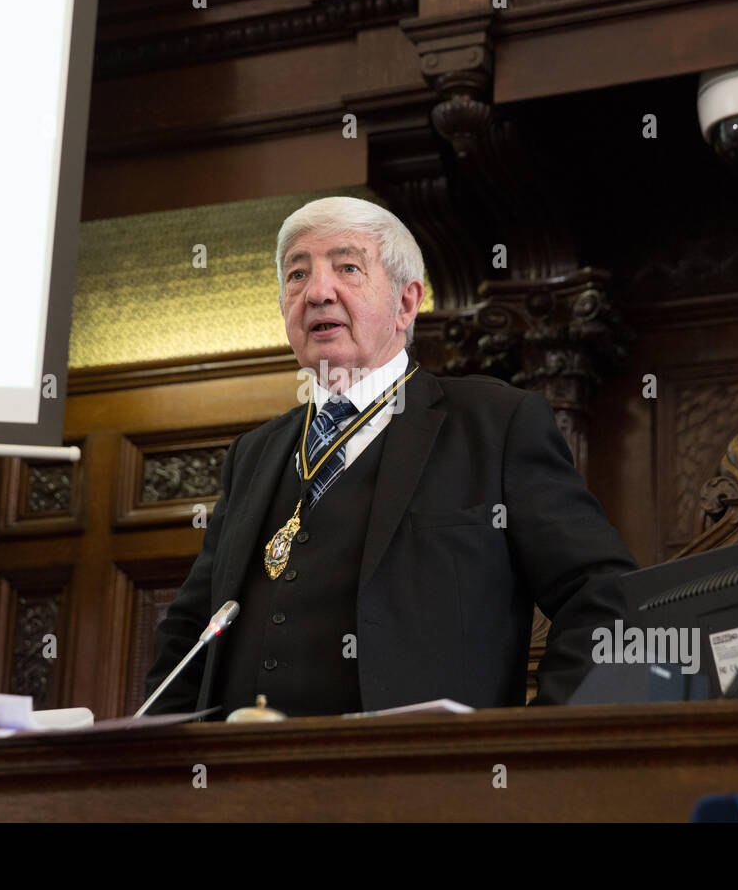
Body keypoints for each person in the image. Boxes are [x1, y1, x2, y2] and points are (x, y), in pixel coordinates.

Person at [143, 196, 638, 717]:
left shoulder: (495, 424)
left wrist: (535, 748)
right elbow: (189, 634)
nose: (316, 293)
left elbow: (605, 597)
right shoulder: (254, 453)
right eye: (296, 275)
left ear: (406, 303)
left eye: (347, 268)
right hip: (238, 784)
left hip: (420, 783)